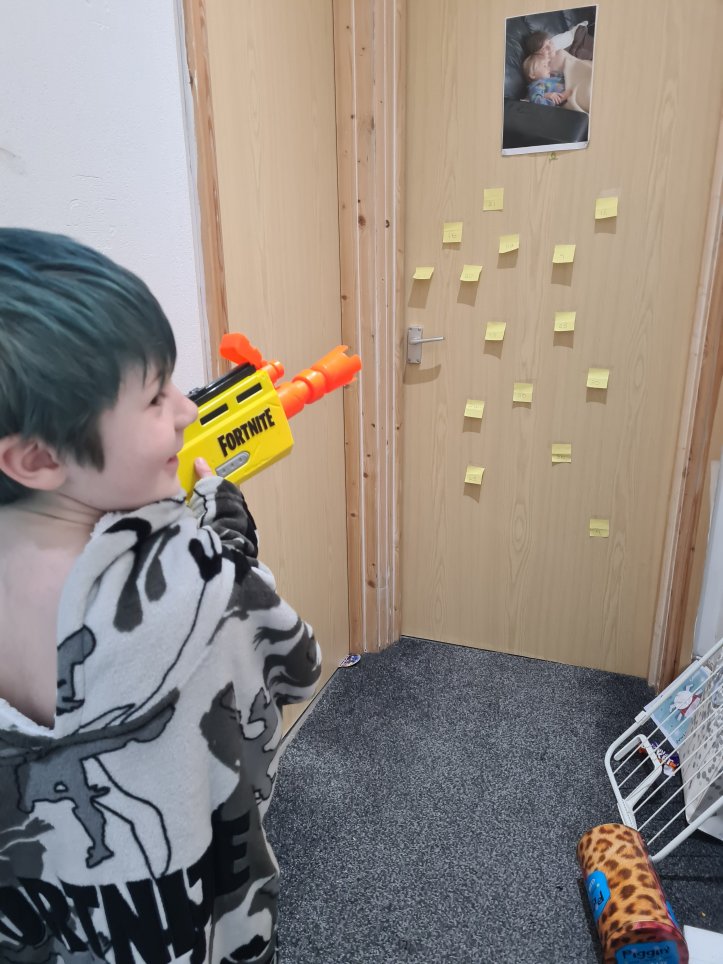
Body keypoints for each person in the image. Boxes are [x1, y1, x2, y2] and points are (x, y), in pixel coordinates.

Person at [0, 228, 322, 963]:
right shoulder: (197, 579)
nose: (186, 411)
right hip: (182, 914)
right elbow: (296, 667)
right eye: (154, 396)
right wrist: (227, 538)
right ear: (38, 458)